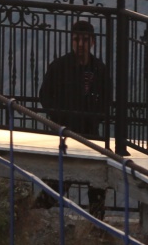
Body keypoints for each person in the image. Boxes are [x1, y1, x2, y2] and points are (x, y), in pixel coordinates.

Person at [38, 19, 112, 217]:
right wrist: (60, 117)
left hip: (90, 134)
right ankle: (35, 214)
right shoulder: (59, 67)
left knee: (96, 181)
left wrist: (94, 118)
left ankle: (97, 224)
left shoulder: (100, 70)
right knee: (60, 180)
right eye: (77, 40)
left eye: (85, 40)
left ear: (92, 42)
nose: (80, 44)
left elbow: (107, 99)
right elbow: (45, 96)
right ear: (72, 41)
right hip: (65, 133)